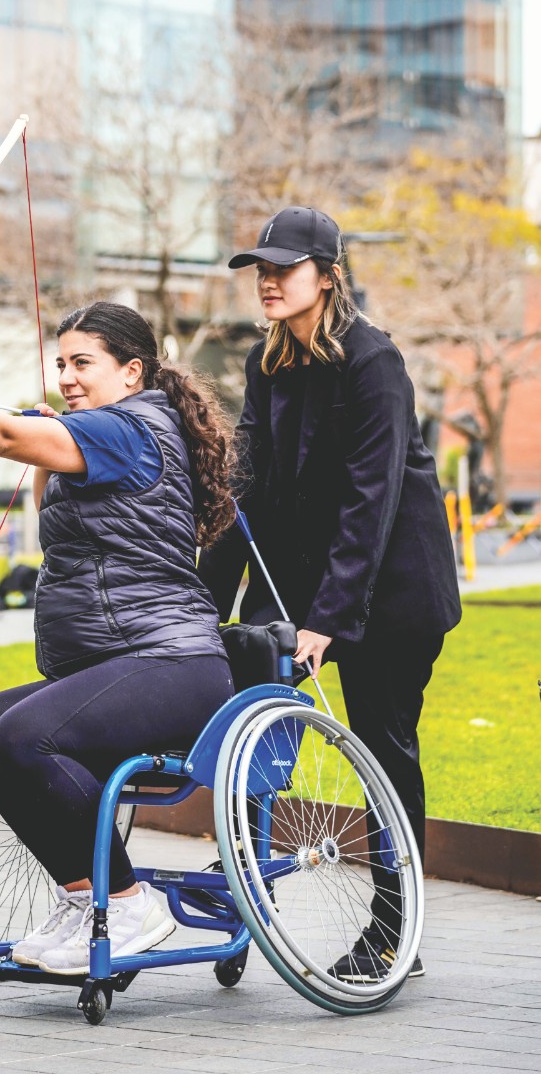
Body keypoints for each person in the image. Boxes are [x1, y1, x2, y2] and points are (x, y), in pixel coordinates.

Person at [0, 301, 236, 975]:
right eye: (60, 363)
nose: (66, 376)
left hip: (173, 663)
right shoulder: (106, 434)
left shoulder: (134, 427)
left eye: (82, 363)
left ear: (131, 371)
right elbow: (56, 505)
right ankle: (83, 893)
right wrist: (46, 449)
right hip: (124, 664)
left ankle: (129, 902)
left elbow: (2, 434)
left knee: (28, 735)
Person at [198, 206, 461, 984]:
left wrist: (329, 621)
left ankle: (392, 931)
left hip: (391, 590)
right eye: (260, 268)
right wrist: (205, 599)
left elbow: (369, 498)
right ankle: (243, 912)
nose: (267, 280)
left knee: (382, 750)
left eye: (283, 267)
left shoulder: (371, 361)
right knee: (251, 732)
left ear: (327, 275)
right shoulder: (266, 361)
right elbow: (246, 486)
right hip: (304, 581)